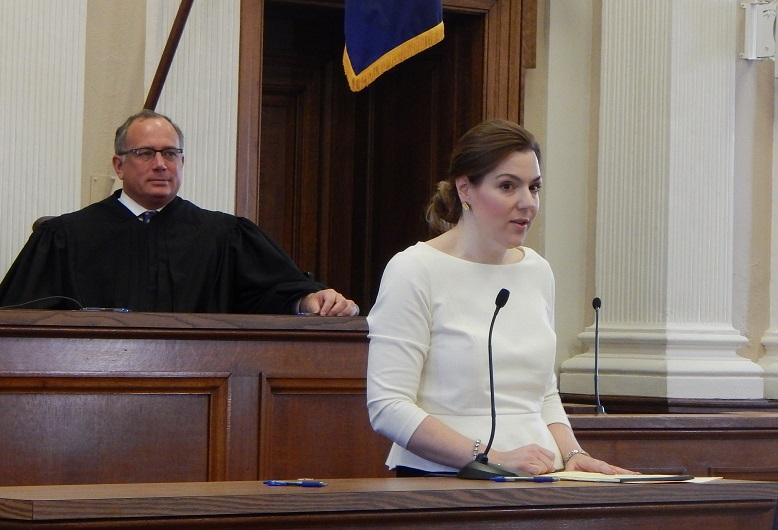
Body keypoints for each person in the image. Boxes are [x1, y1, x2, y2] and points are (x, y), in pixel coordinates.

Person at [366, 119, 628, 476]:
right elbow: (388, 406)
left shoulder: (537, 270)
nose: (527, 203)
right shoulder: (414, 269)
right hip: (444, 479)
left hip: (540, 477)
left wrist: (572, 455)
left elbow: (543, 393)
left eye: (534, 188)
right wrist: (490, 456)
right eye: (508, 186)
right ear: (465, 189)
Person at [0, 110, 358, 316]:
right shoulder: (66, 236)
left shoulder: (224, 236)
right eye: (145, 153)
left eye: (170, 154)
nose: (160, 164)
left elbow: (270, 293)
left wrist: (307, 301)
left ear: (182, 162)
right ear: (118, 165)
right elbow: (20, 315)